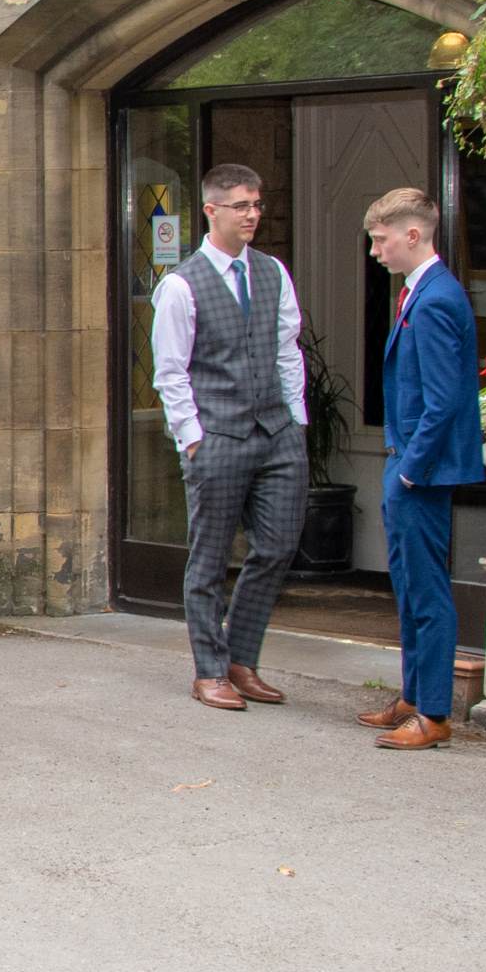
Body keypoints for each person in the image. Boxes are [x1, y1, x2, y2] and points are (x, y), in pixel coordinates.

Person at [150, 163, 308, 710]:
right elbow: (170, 372)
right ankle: (210, 670)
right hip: (217, 435)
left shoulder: (272, 272)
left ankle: (242, 660)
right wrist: (192, 438)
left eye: (257, 205)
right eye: (241, 206)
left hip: (277, 432)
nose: (252, 214)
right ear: (211, 210)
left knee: (278, 547)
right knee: (210, 558)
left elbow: (287, 348)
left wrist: (297, 419)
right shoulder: (181, 285)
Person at [361, 187, 484, 750]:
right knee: (409, 586)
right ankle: (413, 697)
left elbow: (443, 401)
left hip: (421, 471)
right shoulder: (421, 292)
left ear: (413, 235)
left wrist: (410, 470)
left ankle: (433, 714)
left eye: (380, 240)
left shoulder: (435, 299)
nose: (375, 252)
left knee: (427, 591)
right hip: (410, 465)